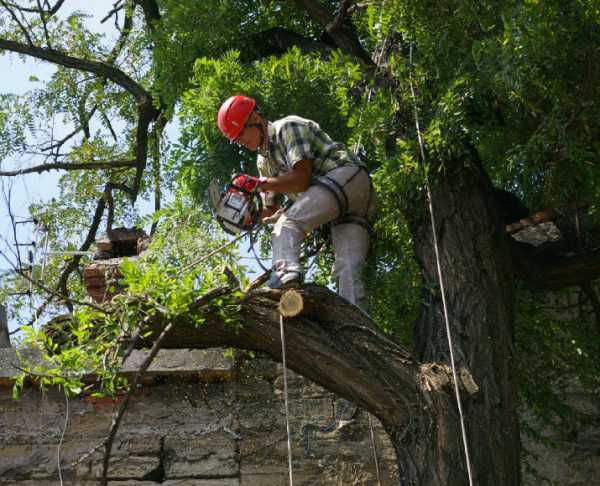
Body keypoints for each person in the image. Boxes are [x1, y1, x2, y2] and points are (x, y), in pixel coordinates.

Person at [217, 95, 376, 311]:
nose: (240, 141)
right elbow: (269, 209)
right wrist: (249, 218)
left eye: (241, 133)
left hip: (346, 177)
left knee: (288, 222)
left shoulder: (287, 127)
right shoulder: (263, 162)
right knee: (347, 270)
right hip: (344, 206)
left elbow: (301, 179)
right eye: (235, 139)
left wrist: (259, 184)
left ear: (255, 118)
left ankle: (285, 276)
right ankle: (358, 330)